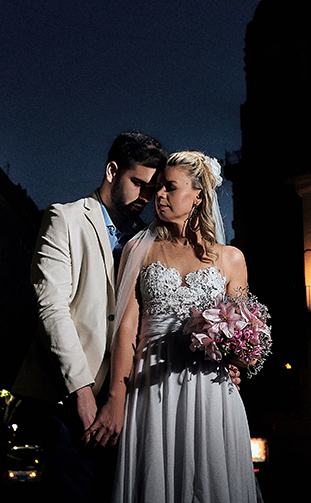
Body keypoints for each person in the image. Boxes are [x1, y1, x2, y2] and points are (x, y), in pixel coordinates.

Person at [85, 151, 260, 503]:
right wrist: (117, 398)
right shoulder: (139, 248)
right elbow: (126, 328)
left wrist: (239, 363)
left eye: (169, 187)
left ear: (198, 195)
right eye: (158, 188)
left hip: (210, 391)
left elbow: (244, 333)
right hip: (151, 385)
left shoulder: (231, 259)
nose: (158, 196)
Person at [13, 131, 166, 502]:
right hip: (67, 399)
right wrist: (81, 395)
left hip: (130, 404)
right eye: (138, 184)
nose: (145, 198)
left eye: (152, 189)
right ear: (112, 170)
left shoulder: (149, 239)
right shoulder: (63, 219)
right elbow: (52, 309)